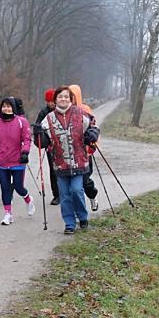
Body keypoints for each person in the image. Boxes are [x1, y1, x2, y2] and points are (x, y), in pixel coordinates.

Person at [34, 86, 100, 234]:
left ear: (70, 99)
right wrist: (38, 135)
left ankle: (82, 217)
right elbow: (42, 143)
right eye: (60, 97)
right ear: (55, 100)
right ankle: (69, 223)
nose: (63, 99)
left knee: (77, 190)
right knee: (64, 195)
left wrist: (92, 134)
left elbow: (93, 125)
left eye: (66, 96)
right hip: (60, 163)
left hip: (79, 161)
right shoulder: (48, 119)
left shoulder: (80, 113)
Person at [0, 97, 35, 225]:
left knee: (19, 187)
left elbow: (27, 138)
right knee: (5, 188)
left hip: (17, 160)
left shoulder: (22, 122)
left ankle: (28, 199)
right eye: (4, 106)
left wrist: (25, 152)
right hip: (1, 161)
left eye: (9, 106)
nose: (6, 108)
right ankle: (8, 214)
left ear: (13, 108)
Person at [69, 84, 99, 212]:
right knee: (73, 185)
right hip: (69, 154)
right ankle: (77, 209)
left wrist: (91, 139)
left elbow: (93, 127)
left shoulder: (85, 109)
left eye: (72, 96)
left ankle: (92, 196)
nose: (70, 99)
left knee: (85, 181)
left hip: (85, 152)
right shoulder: (63, 112)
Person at [35, 88, 60, 205]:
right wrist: (39, 132)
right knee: (53, 170)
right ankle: (57, 195)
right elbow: (37, 125)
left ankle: (66, 194)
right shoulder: (43, 112)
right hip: (50, 146)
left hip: (63, 144)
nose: (51, 103)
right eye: (48, 101)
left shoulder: (61, 110)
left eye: (52, 101)